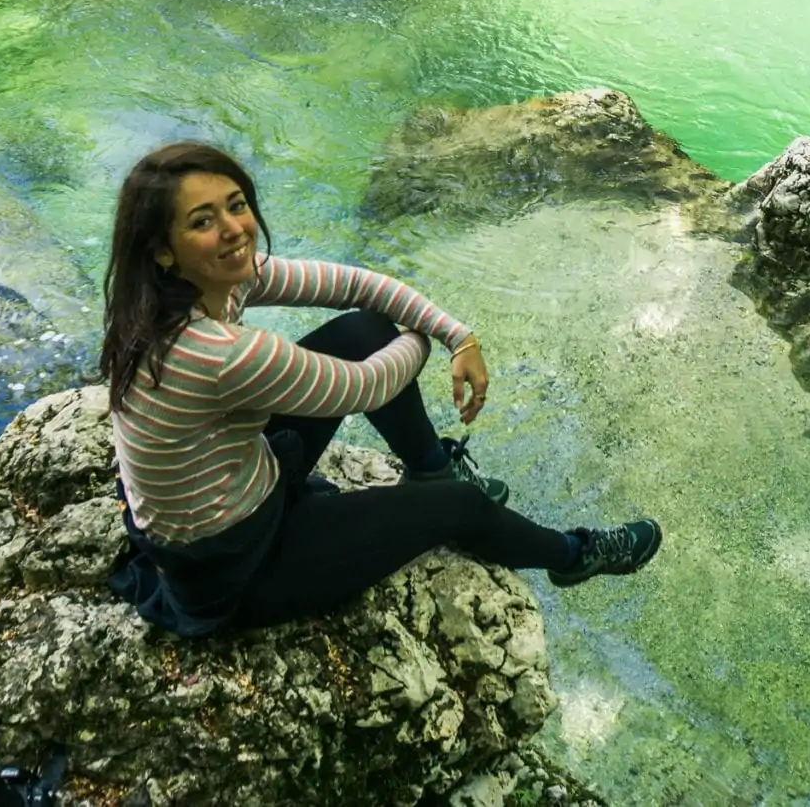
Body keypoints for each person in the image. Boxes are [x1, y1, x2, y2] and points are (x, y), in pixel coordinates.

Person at [98, 140, 661, 635]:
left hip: (232, 488)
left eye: (237, 205)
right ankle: (573, 554)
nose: (233, 229)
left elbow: (352, 285)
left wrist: (458, 336)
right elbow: (365, 387)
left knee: (363, 327)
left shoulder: (177, 294)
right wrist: (425, 337)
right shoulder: (222, 354)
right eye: (202, 221)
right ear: (163, 250)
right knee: (459, 507)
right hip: (235, 563)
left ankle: (431, 466)